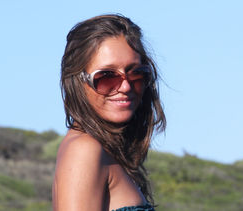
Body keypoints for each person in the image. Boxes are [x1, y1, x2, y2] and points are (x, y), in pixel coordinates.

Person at [52, 14, 166, 211]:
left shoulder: (104, 152)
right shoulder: (84, 150)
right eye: (106, 77)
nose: (125, 86)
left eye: (136, 74)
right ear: (77, 81)